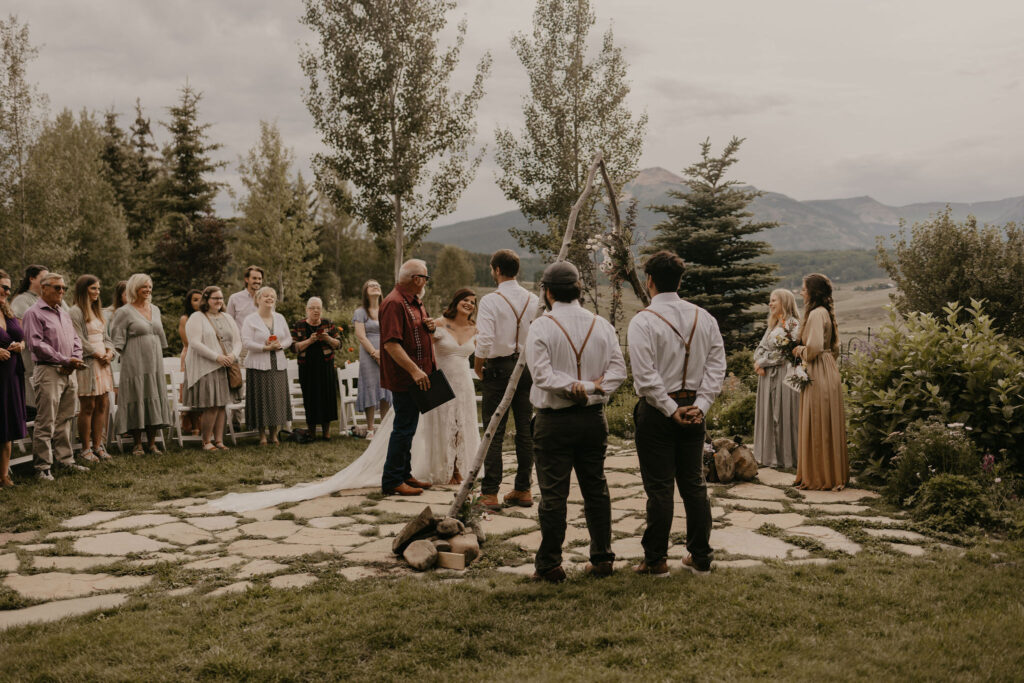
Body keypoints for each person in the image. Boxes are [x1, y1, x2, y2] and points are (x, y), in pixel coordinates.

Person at [209, 287, 479, 513]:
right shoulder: (436, 323)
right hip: (435, 378)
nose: (469, 304)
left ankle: (456, 468)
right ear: (455, 303)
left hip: (463, 384)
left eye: (473, 302)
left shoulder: (473, 327)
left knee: (460, 424)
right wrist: (421, 354)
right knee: (428, 426)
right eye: (465, 300)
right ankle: (425, 470)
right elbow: (416, 343)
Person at [525, 261, 626, 582]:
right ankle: (602, 559)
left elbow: (541, 375)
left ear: (548, 292)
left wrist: (574, 388)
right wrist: (593, 387)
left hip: (553, 421)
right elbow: (618, 371)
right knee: (596, 489)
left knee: (553, 495)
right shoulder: (602, 325)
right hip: (593, 419)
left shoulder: (541, 326)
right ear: (579, 290)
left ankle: (550, 564)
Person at [627, 251, 726, 577]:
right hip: (695, 410)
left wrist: (671, 409)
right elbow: (716, 367)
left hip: (658, 413)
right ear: (680, 280)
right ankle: (700, 556)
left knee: (659, 488)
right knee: (694, 485)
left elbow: (644, 376)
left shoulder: (643, 321)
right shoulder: (705, 318)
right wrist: (701, 405)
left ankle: (655, 561)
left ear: (649, 281)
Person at [474, 249, 539, 510]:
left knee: (494, 431)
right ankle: (523, 489)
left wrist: (479, 364)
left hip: (499, 367)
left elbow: (486, 338)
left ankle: (489, 494)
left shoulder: (491, 300)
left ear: (497, 270)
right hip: (527, 368)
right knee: (525, 430)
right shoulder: (534, 299)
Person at [21, 273, 88, 480]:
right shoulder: (33, 313)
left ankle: (65, 460)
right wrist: (64, 360)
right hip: (49, 370)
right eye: (57, 288)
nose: (61, 292)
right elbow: (36, 344)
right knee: (46, 420)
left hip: (69, 371)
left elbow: (75, 339)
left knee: (66, 418)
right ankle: (42, 467)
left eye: (64, 288)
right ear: (44, 288)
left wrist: (75, 358)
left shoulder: (63, 312)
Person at [379, 259, 436, 496]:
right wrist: (414, 370)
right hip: (405, 377)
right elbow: (392, 344)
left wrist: (429, 327)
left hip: (420, 375)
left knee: (410, 426)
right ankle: (392, 479)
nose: (426, 282)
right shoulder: (394, 303)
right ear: (416, 279)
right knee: (403, 427)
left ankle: (405, 473)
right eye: (425, 277)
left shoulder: (415, 302)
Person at [792, 274, 849, 491]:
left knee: (817, 422)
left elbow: (814, 347)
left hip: (817, 370)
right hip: (828, 369)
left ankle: (819, 476)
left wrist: (798, 350)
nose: (801, 292)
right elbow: (832, 349)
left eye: (804, 288)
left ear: (813, 292)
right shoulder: (826, 313)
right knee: (826, 421)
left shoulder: (816, 314)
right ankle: (831, 473)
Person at [109, 273, 172, 455]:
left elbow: (160, 338)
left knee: (153, 393)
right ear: (134, 288)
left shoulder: (155, 309)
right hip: (134, 360)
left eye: (150, 286)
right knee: (137, 395)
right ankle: (137, 443)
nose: (148, 290)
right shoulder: (124, 312)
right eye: (144, 286)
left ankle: (151, 443)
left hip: (154, 360)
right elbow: (117, 340)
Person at [185, 286, 241, 451]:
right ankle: (206, 441)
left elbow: (238, 341)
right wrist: (216, 357)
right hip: (207, 366)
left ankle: (219, 440)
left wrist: (233, 355)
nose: (219, 301)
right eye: (215, 298)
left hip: (226, 366)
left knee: (222, 404)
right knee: (212, 405)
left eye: (221, 298)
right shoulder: (197, 317)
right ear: (206, 300)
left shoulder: (228, 317)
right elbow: (194, 343)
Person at [752, 288, 801, 468]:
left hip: (783, 376)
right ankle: (768, 456)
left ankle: (786, 458)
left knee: (783, 414)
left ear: (785, 303)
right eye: (770, 300)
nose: (770, 304)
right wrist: (758, 361)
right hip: (767, 377)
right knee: (769, 413)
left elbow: (786, 355)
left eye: (774, 300)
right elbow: (760, 348)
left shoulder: (793, 325)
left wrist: (762, 363)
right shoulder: (773, 325)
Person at [69, 275, 115, 463]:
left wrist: (110, 352)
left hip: (103, 363)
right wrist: (97, 354)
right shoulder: (75, 311)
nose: (97, 292)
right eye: (93, 289)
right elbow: (78, 338)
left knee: (103, 404)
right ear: (83, 290)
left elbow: (107, 337)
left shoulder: (99, 312)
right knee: (88, 406)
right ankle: (85, 448)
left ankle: (98, 445)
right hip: (87, 363)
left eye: (98, 289)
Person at [240, 286, 292, 445]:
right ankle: (262, 435)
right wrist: (265, 347)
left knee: (276, 399)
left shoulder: (280, 317)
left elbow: (289, 339)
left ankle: (274, 434)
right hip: (258, 364)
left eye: (272, 296)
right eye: (266, 296)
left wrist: (280, 345)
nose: (270, 298)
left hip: (278, 364)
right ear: (258, 299)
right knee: (261, 400)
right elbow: (246, 342)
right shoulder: (250, 319)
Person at [11, 265, 61, 418]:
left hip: (57, 361)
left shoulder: (55, 298)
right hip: (34, 361)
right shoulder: (22, 300)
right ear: (31, 279)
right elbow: (23, 331)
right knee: (38, 408)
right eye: (43, 278)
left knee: (56, 407)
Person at [291, 296, 341, 440]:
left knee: (328, 398)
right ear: (307, 310)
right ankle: (311, 432)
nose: (315, 311)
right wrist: (310, 340)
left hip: (326, 365)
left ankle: (326, 432)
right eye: (312, 308)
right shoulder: (299, 325)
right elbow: (294, 348)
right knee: (310, 398)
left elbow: (339, 344)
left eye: (318, 308)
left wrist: (327, 338)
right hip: (307, 367)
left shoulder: (328, 323)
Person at [352, 280, 391, 435]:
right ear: (365, 292)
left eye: (378, 285)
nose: (376, 286)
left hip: (387, 352)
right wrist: (375, 353)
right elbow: (361, 336)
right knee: (370, 387)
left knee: (386, 389)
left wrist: (384, 353)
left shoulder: (386, 310)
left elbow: (390, 332)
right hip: (368, 354)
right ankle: (370, 429)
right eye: (371, 285)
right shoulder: (360, 312)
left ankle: (385, 430)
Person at [0, 269, 27, 486]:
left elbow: (22, 337)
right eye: (4, 287)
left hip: (12, 376)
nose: (7, 292)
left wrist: (21, 345)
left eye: (9, 288)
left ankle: (4, 475)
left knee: (6, 424)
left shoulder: (7, 311)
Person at [178, 289, 203, 436]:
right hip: (190, 356)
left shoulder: (205, 317)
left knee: (202, 392)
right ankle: (193, 426)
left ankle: (202, 424)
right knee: (191, 390)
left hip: (204, 357)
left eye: (201, 299)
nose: (198, 302)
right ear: (189, 302)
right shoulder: (185, 319)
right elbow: (187, 342)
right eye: (195, 300)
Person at [227, 265, 264, 339]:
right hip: (241, 343)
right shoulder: (234, 298)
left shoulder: (267, 299)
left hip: (262, 344)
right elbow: (228, 322)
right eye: (254, 278)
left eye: (260, 279)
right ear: (247, 279)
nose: (257, 281)